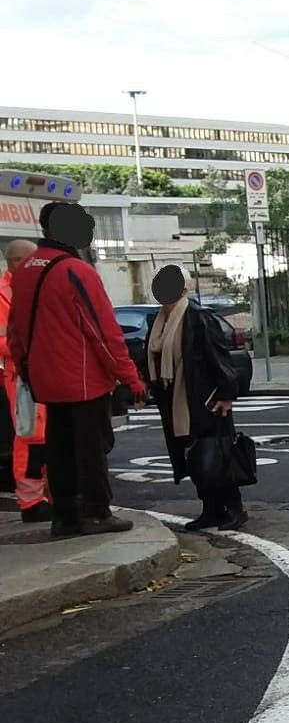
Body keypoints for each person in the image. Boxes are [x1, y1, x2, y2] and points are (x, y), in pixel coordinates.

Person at [8, 203, 145, 537]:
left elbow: (15, 327)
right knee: (90, 450)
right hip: (83, 378)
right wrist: (131, 378)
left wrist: (26, 366)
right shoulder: (75, 270)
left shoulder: (25, 268)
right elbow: (103, 330)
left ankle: (65, 516)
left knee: (59, 449)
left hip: (46, 379)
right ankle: (97, 512)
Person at [147, 266, 246, 531]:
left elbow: (218, 355)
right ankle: (210, 509)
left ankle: (234, 508)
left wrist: (226, 393)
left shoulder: (197, 317)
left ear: (183, 289)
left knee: (217, 453)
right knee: (192, 455)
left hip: (204, 397)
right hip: (174, 398)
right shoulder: (157, 321)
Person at [1, 240, 51, 520]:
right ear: (18, 261)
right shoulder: (4, 294)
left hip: (38, 372)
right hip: (21, 377)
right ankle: (31, 501)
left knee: (42, 438)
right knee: (31, 436)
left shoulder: (29, 288)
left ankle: (44, 496)